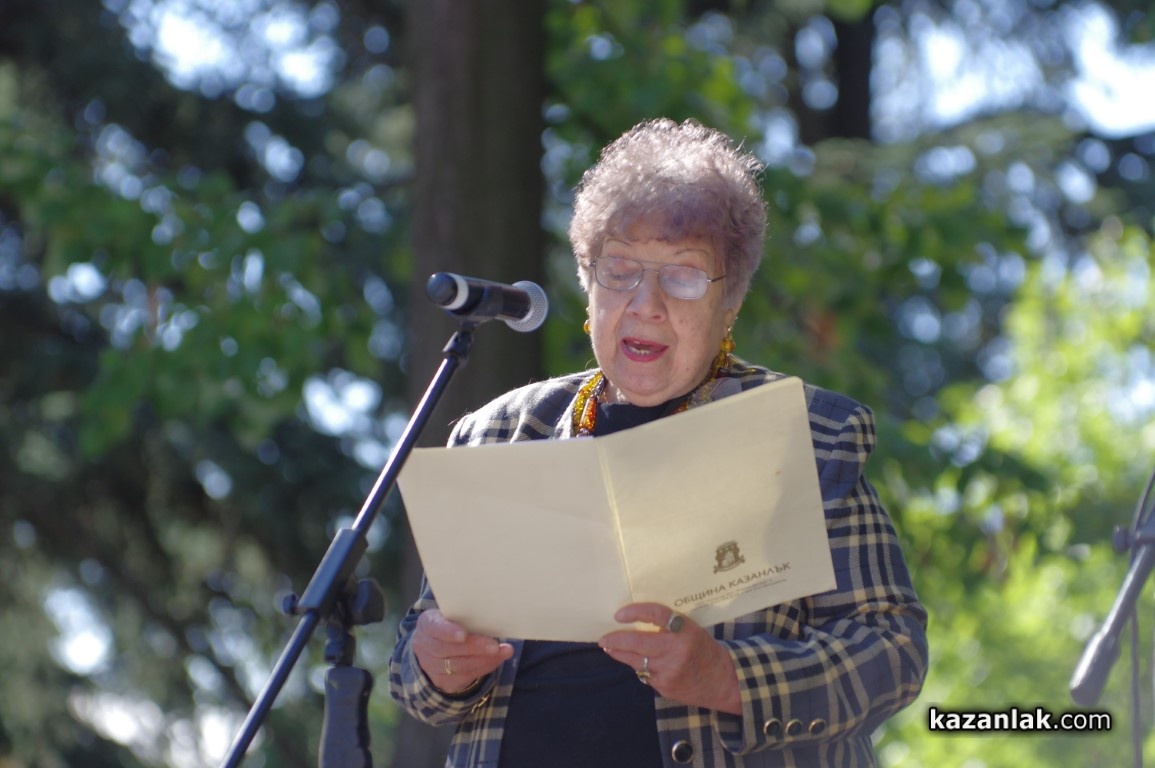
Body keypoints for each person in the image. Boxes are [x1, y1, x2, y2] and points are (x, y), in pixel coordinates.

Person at [388, 117, 928, 767]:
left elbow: (892, 647)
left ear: (730, 304)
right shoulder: (497, 436)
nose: (645, 303)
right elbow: (416, 678)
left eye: (683, 276)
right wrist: (436, 664)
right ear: (588, 286)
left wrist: (726, 676)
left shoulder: (805, 436)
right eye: (619, 270)